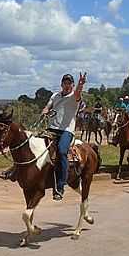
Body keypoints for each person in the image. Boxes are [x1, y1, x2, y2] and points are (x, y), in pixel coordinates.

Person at [41, 72, 87, 201]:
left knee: (61, 151)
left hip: (67, 131)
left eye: (69, 84)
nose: (67, 86)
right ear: (61, 84)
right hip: (52, 128)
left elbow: (78, 93)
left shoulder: (74, 96)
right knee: (35, 145)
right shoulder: (55, 95)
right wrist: (45, 110)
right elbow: (48, 106)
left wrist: (80, 84)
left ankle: (60, 186)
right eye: (65, 83)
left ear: (72, 85)